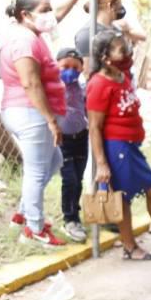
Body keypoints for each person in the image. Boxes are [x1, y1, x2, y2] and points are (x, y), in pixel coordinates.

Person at [85, 30, 151, 260]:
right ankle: (130, 247)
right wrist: (102, 164)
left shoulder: (123, 76)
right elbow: (94, 127)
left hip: (131, 146)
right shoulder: (99, 84)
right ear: (105, 57)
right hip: (117, 148)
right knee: (123, 197)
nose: (126, 51)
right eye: (120, 48)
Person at [0, 0, 68, 247]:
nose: (51, 15)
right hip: (31, 113)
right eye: (45, 10)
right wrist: (50, 119)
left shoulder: (30, 35)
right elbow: (30, 83)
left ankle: (24, 214)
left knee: (54, 161)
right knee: (37, 172)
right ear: (25, 15)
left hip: (28, 112)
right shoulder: (24, 41)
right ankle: (34, 229)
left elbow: (60, 15)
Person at [55, 47, 89, 242]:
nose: (70, 71)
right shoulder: (54, 86)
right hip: (63, 140)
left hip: (81, 138)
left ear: (81, 68)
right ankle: (69, 219)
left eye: (74, 67)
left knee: (78, 179)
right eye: (65, 66)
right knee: (70, 179)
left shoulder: (81, 87)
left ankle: (75, 214)